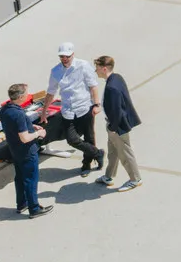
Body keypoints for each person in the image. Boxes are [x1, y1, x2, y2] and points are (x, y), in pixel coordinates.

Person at [43, 42, 103, 174]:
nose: (64, 59)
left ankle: (86, 164)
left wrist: (97, 104)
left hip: (84, 107)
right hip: (67, 111)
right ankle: (98, 153)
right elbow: (51, 92)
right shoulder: (55, 71)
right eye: (62, 56)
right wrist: (44, 111)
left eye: (67, 56)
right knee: (72, 140)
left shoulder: (83, 65)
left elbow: (93, 86)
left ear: (73, 54)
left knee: (89, 137)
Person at [0, 83, 49, 218]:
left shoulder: (5, 109)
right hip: (27, 151)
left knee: (20, 178)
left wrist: (30, 126)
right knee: (31, 180)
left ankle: (22, 204)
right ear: (20, 97)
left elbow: (14, 126)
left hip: (15, 150)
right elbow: (25, 138)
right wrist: (38, 133)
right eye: (26, 94)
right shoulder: (19, 113)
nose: (28, 95)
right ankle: (34, 208)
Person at [93, 55, 141, 192]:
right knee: (113, 152)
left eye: (97, 68)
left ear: (104, 69)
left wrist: (113, 128)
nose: (95, 71)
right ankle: (108, 176)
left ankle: (135, 179)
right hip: (114, 125)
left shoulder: (111, 88)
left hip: (117, 126)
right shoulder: (117, 78)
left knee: (125, 153)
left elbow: (116, 111)